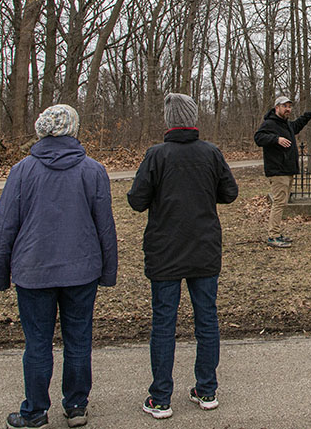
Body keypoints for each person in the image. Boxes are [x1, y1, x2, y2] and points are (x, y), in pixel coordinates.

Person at [0, 104, 117, 429]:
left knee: (37, 343)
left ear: (42, 130)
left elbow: (5, 227)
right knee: (78, 339)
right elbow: (105, 227)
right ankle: (76, 407)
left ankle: (34, 412)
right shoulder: (93, 171)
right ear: (73, 130)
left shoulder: (21, 171)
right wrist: (108, 270)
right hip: (81, 271)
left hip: (33, 272)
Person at [128, 93, 238, 420]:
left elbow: (137, 200)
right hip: (203, 249)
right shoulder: (211, 154)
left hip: (165, 252)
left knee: (164, 322)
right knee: (207, 319)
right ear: (193, 119)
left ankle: (161, 398)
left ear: (168, 121)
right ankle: (206, 389)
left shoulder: (156, 156)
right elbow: (229, 193)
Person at [253, 95, 311, 248]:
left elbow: (297, 125)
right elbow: (258, 138)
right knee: (278, 203)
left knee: (282, 203)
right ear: (277, 108)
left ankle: (277, 233)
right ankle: (273, 236)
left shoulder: (286, 125)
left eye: (289, 107)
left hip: (287, 170)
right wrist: (276, 139)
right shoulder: (270, 123)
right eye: (285, 106)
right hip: (278, 170)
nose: (288, 109)